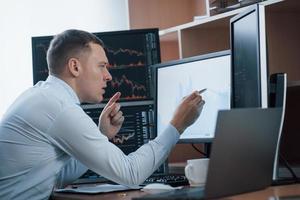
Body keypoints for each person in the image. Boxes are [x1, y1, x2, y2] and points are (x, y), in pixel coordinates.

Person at [0, 29, 204, 200]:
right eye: (102, 66)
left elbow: (57, 176)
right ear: (75, 66)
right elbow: (131, 173)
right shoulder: (60, 107)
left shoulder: (42, 95)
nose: (108, 76)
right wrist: (177, 125)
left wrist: (102, 134)